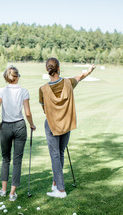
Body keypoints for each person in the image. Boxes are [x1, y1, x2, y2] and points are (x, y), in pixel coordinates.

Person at [39, 58, 95, 198]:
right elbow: (80, 77)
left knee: (55, 155)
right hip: (66, 124)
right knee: (60, 153)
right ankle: (56, 183)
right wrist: (89, 71)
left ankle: (61, 190)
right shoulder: (68, 83)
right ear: (59, 68)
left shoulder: (43, 89)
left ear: (47, 70)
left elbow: (44, 109)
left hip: (52, 125)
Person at [0, 65, 36, 201]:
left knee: (5, 159)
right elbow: (28, 113)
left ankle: (3, 190)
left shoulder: (1, 91)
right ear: (17, 77)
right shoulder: (24, 91)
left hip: (5, 126)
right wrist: (32, 124)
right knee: (17, 160)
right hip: (19, 126)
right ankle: (12, 193)